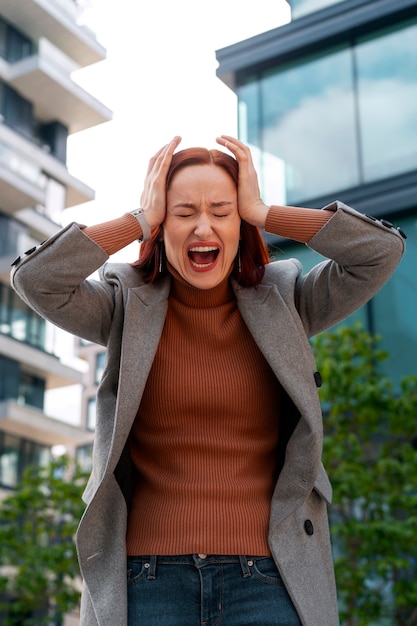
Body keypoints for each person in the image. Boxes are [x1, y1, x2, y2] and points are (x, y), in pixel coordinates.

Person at [11, 136, 405, 626]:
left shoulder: (287, 300)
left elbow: (379, 251)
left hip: (267, 577)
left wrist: (265, 211)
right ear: (161, 226)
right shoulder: (124, 304)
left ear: (240, 224)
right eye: (182, 212)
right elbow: (37, 279)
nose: (203, 226)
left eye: (223, 210)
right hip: (147, 580)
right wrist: (136, 219)